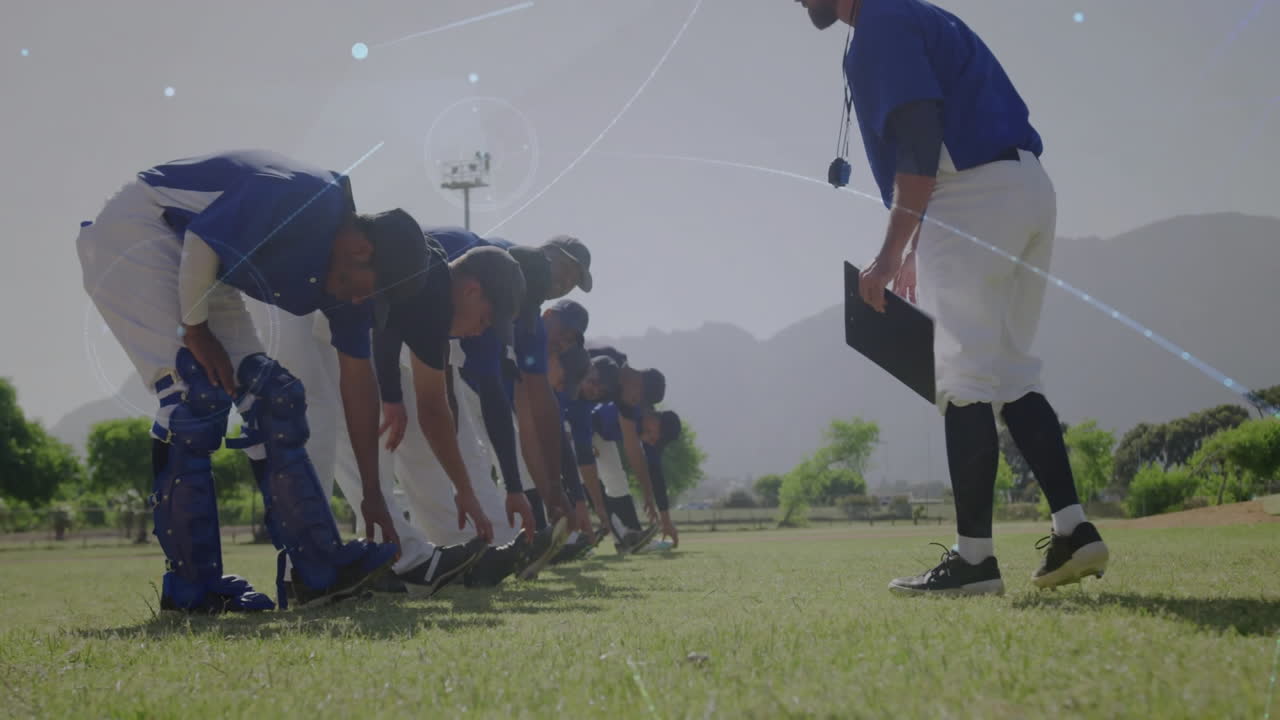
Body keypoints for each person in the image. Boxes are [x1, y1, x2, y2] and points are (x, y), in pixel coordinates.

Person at [795, 0, 1109, 594]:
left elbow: (919, 142)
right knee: (1014, 375)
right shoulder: (914, 14)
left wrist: (889, 254)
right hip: (1026, 187)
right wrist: (917, 244)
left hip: (969, 196)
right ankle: (1074, 529)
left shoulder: (879, 26)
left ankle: (974, 561)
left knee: (962, 381)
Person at [77, 149, 420, 612]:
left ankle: (318, 568)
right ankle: (193, 587)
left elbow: (357, 387)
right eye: (369, 288)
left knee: (274, 397)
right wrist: (194, 330)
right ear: (362, 250)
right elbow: (202, 236)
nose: (362, 300)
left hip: (202, 263)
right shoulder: (306, 195)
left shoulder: (347, 278)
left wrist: (374, 497)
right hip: (142, 230)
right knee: (192, 395)